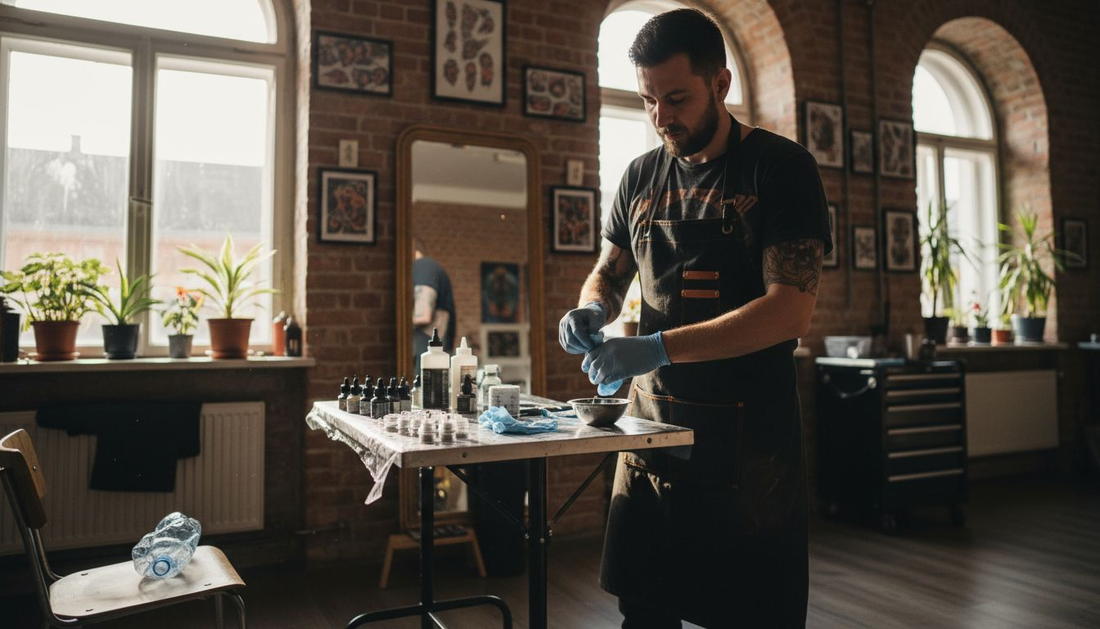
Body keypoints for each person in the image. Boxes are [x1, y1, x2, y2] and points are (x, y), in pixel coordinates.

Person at [558, 9, 832, 629]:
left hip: (747, 451)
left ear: (722, 84)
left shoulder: (780, 170)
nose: (661, 117)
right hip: (650, 435)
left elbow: (789, 310)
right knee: (645, 616)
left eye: (676, 98)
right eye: (648, 100)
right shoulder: (639, 176)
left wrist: (655, 347)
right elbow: (609, 271)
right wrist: (592, 307)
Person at [412, 237, 456, 374]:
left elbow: (422, 315)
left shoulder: (423, 267)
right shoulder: (427, 268)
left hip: (426, 351)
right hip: (434, 352)